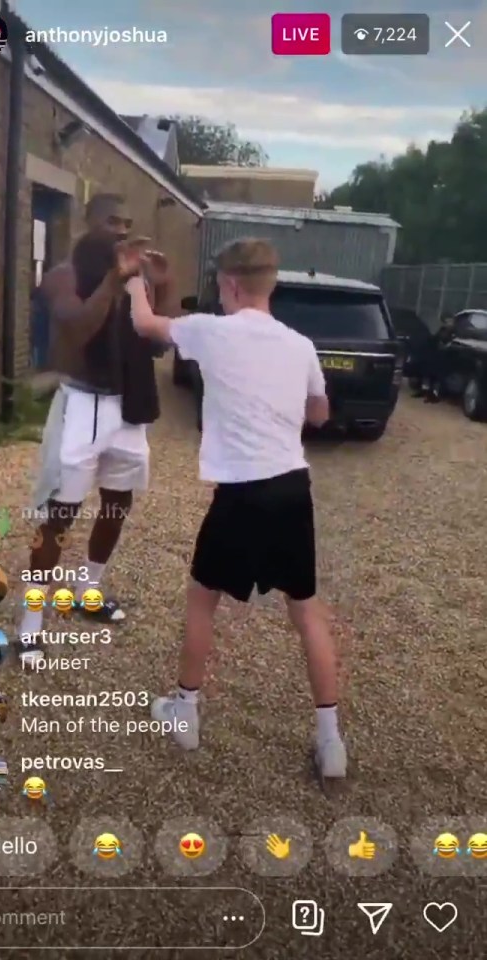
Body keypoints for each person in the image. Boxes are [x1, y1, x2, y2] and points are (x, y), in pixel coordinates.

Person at [123, 237, 347, 779]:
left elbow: (146, 325)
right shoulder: (300, 344)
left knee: (203, 602)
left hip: (240, 495)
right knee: (306, 612)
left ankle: (185, 712)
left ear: (229, 285)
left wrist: (133, 280)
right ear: (269, 283)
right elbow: (319, 413)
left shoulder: (212, 331)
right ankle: (331, 741)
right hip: (292, 491)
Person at [18, 194, 171, 661]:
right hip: (82, 402)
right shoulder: (64, 275)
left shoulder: (133, 277)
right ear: (88, 222)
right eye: (111, 221)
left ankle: (88, 589)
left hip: (127, 404)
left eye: (127, 223)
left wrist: (162, 287)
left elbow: (159, 341)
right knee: (59, 514)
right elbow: (77, 329)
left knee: (118, 501)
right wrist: (113, 280)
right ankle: (31, 622)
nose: (121, 231)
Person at [422, 314, 455, 403]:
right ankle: (430, 395)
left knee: (439, 379)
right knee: (433, 378)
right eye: (447, 321)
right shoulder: (442, 330)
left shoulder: (454, 333)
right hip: (438, 357)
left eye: (450, 321)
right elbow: (435, 340)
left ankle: (437, 395)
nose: (449, 323)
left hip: (446, 359)